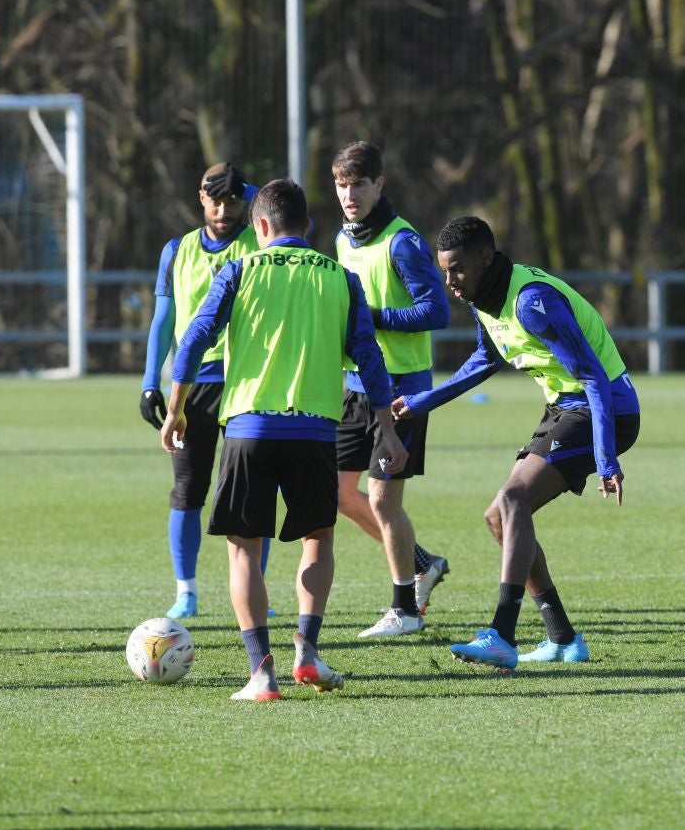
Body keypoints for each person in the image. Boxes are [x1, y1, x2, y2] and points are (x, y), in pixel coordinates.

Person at [159, 178, 408, 701]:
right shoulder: (340, 277)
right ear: (309, 227)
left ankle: (261, 673)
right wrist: (385, 427)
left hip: (249, 426)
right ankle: (308, 653)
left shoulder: (239, 269)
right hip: (317, 428)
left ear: (262, 226)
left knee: (244, 550)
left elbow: (194, 338)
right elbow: (370, 357)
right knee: (318, 539)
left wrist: (176, 408)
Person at [391, 216, 640, 671]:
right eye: (444, 271)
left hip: (603, 409)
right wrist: (423, 401)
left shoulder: (531, 302)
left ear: (485, 259)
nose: (450, 282)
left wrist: (606, 459)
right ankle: (563, 639)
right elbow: (485, 359)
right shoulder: (485, 296)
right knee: (499, 518)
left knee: (512, 499)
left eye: (458, 270)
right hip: (565, 407)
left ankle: (502, 635)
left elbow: (594, 379)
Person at [329, 141, 451, 639]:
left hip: (402, 388)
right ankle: (422, 562)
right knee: (337, 492)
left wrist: (372, 318)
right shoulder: (342, 240)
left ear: (379, 184)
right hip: (355, 385)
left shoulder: (402, 242)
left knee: (382, 500)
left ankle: (404, 608)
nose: (350, 194)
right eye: (341, 185)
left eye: (359, 184)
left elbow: (437, 311)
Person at [140, 162, 271, 619]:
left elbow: (294, 218)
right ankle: (186, 592)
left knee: (250, 492)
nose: (223, 207)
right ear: (200, 197)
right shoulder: (177, 251)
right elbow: (162, 321)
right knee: (188, 489)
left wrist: (252, 193)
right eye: (215, 198)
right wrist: (148, 382)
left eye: (234, 199)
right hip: (190, 388)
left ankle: (258, 591)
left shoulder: (260, 240)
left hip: (246, 384)